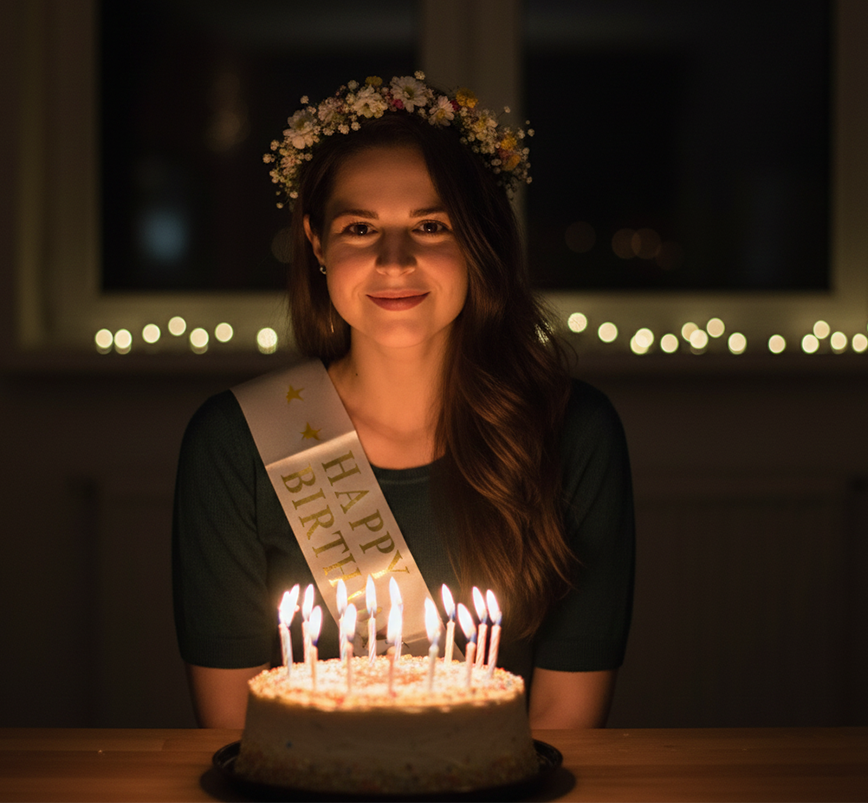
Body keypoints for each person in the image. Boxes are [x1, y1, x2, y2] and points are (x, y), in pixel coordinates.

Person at [172, 74, 635, 730]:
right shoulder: (234, 439)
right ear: (315, 240)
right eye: (360, 227)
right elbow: (235, 729)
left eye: (431, 225)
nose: (394, 260)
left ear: (480, 240)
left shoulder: (572, 432)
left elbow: (565, 722)